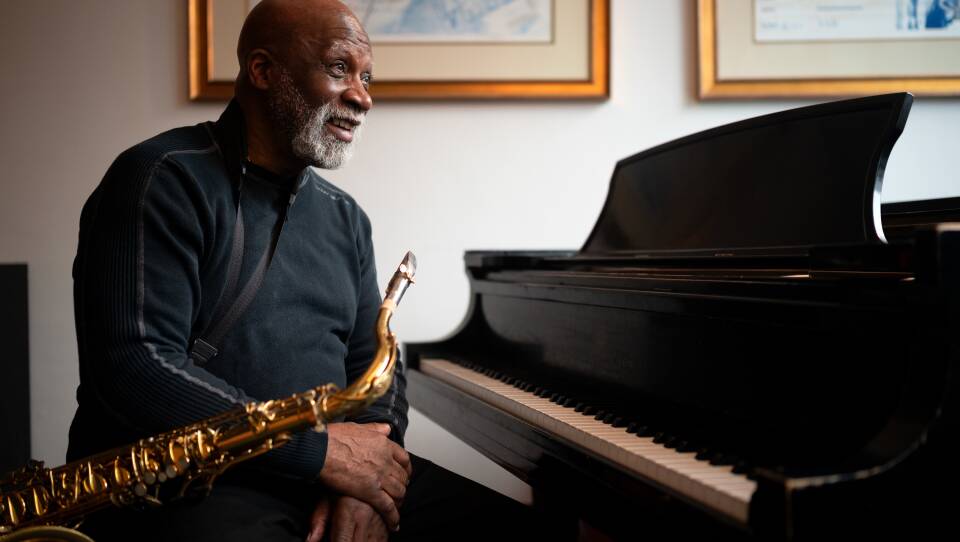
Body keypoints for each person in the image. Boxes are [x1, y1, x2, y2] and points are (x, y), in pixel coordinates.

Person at [67, 1, 570, 540]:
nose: (363, 96)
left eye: (367, 77)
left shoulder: (346, 217)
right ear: (263, 71)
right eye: (339, 70)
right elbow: (134, 367)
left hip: (327, 470)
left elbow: (373, 361)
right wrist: (323, 455)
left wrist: (369, 478)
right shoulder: (159, 179)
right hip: (194, 483)